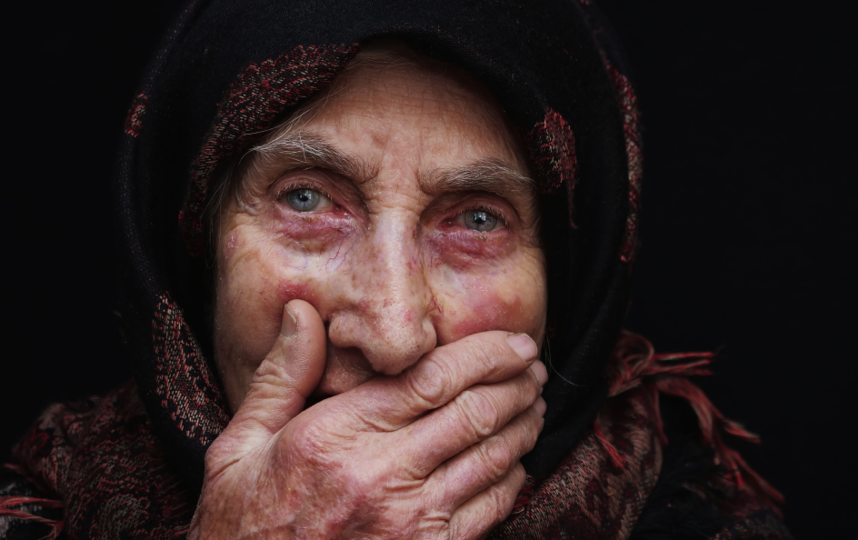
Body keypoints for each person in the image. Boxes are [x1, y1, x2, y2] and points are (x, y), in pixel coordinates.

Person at [0, 0, 791, 539]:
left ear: (571, 279)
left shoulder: (692, 512)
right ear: (193, 240)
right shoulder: (48, 500)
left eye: (477, 219)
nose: (392, 331)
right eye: (307, 199)